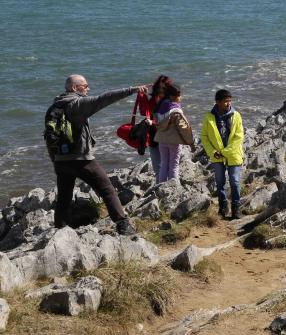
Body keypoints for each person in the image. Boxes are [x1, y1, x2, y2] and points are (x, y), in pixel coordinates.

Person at [47, 75, 147, 235]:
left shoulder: (55, 106)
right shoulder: (77, 104)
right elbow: (104, 99)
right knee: (107, 189)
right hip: (81, 160)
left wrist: (56, 161)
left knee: (64, 197)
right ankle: (123, 225)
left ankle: (60, 230)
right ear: (74, 88)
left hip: (61, 160)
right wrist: (132, 90)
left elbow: (49, 137)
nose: (88, 88)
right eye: (85, 86)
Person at [201, 89, 245, 219]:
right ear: (218, 102)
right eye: (226, 101)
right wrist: (213, 152)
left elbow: (239, 137)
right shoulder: (209, 117)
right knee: (220, 183)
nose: (228, 104)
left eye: (230, 101)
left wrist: (224, 152)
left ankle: (236, 209)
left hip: (233, 154)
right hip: (216, 156)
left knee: (235, 182)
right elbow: (204, 137)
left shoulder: (236, 115)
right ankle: (223, 208)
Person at [154, 84, 196, 183]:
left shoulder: (160, 106)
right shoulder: (176, 110)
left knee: (164, 164)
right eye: (178, 95)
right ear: (172, 96)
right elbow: (184, 128)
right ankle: (174, 188)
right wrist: (191, 143)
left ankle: (161, 186)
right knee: (174, 165)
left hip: (161, 140)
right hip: (174, 142)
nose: (180, 97)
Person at [146, 74, 173, 177]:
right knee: (157, 167)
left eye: (163, 89)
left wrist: (152, 122)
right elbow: (144, 112)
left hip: (167, 138)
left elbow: (169, 122)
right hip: (154, 137)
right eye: (159, 89)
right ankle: (160, 187)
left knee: (168, 166)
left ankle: (168, 187)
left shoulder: (171, 102)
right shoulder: (152, 100)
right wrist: (143, 96)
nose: (161, 92)